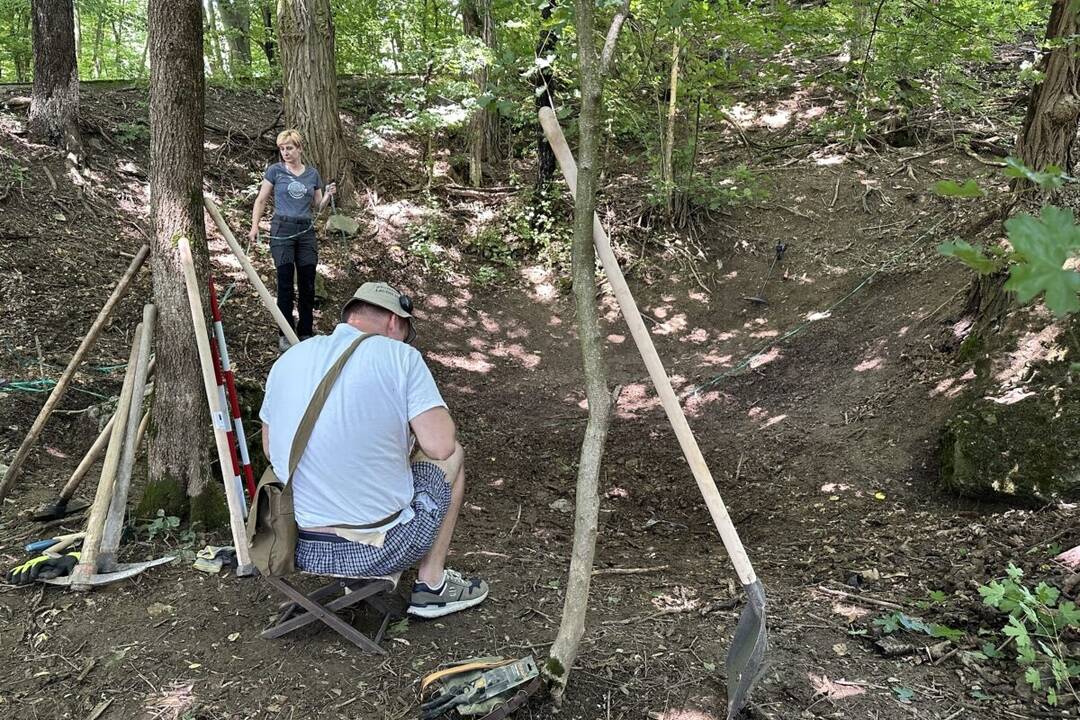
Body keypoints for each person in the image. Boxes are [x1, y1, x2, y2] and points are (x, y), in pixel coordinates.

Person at [259, 282, 489, 619]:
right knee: (455, 456)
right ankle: (432, 585)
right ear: (395, 322)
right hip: (375, 551)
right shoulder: (401, 357)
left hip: (296, 541)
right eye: (406, 332)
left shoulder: (290, 358)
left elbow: (270, 449)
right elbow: (440, 446)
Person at [249, 129, 337, 352]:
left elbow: (318, 205)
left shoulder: (312, 174)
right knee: (285, 283)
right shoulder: (275, 171)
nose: (285, 152)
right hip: (282, 228)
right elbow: (261, 200)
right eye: (282, 149)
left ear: (299, 149)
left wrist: (327, 195)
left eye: (289, 148)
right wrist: (254, 227)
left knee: (308, 282)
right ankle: (286, 334)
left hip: (306, 230)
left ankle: (306, 332)